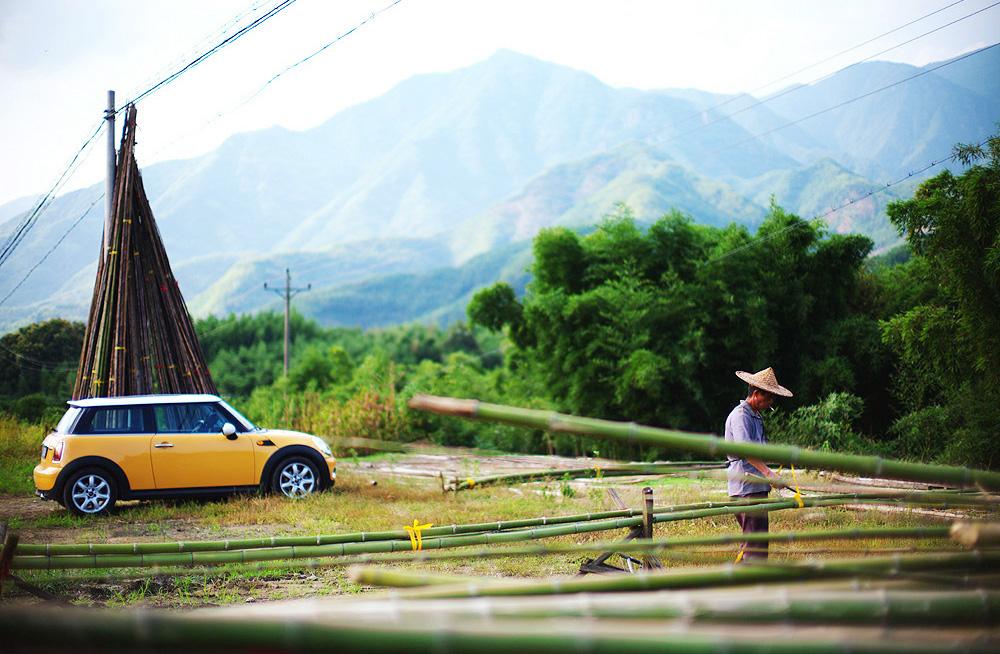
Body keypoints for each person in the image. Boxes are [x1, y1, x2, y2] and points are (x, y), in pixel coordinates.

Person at [724, 366, 792, 561]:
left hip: (756, 485)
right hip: (746, 486)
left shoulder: (756, 417)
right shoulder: (741, 415)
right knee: (755, 544)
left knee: (756, 541)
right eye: (769, 397)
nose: (770, 402)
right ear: (756, 394)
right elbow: (747, 452)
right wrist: (770, 475)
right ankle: (752, 583)